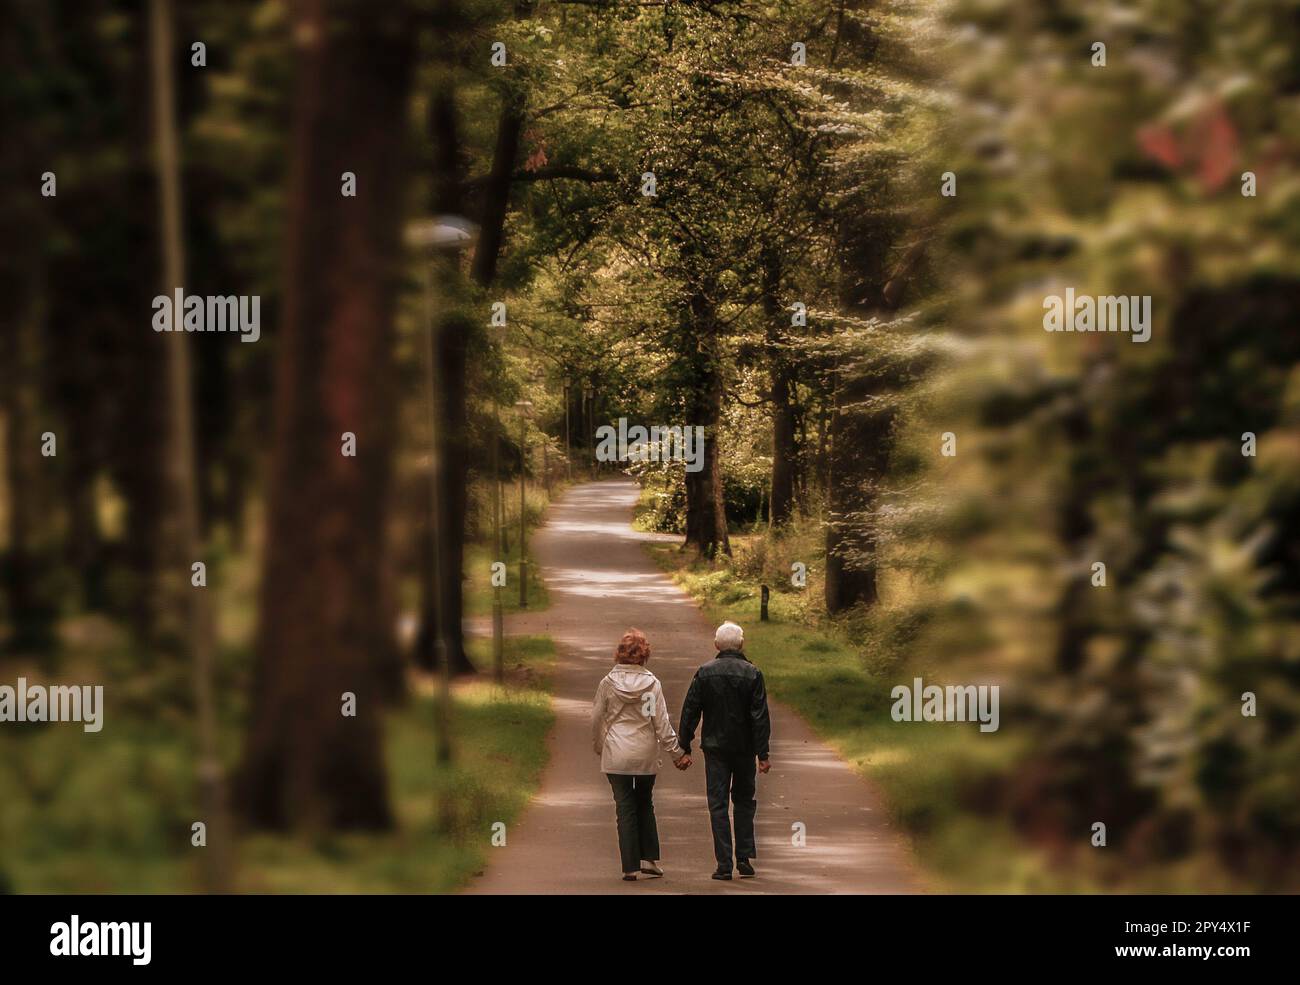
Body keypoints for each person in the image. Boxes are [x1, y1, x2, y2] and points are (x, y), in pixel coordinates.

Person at [591, 628, 690, 881]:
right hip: (644, 750)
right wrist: (677, 753)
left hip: (617, 752)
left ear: (619, 654)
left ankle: (630, 867)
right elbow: (661, 723)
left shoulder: (607, 683)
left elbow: (597, 718)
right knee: (645, 803)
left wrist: (600, 744)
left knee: (624, 808)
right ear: (644, 655)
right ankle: (649, 859)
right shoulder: (652, 684)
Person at [678, 621, 772, 880]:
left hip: (715, 749)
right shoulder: (753, 674)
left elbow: (690, 711)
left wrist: (684, 746)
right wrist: (762, 754)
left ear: (716, 645)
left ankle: (723, 864)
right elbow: (760, 717)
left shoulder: (704, 673)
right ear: (741, 644)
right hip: (744, 749)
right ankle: (743, 857)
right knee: (744, 801)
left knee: (717, 804)